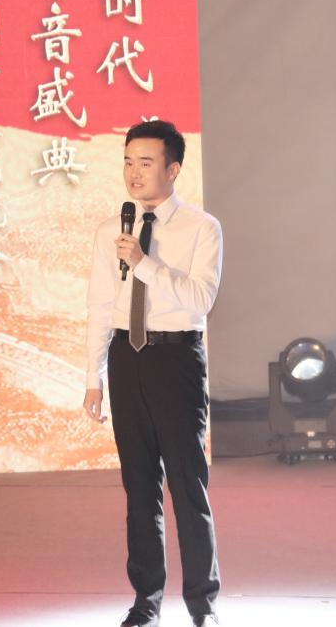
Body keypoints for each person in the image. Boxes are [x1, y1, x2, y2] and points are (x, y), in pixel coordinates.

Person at [83, 120, 223, 627]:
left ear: (173, 168)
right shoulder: (110, 230)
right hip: (127, 359)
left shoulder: (202, 228)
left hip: (175, 359)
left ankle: (202, 604)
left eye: (146, 162)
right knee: (139, 487)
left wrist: (144, 263)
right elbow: (101, 305)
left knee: (187, 485)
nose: (134, 173)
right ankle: (146, 601)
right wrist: (94, 377)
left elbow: (200, 299)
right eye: (127, 161)